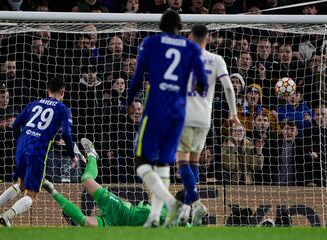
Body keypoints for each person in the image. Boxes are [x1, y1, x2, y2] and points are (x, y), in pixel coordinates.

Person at [127, 10, 208, 227]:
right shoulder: (191, 47)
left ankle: (172, 204)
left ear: (161, 26)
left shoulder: (151, 43)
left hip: (155, 109)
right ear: (180, 28)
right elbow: (202, 83)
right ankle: (154, 217)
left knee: (141, 162)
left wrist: (128, 101)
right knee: (163, 163)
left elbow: (136, 79)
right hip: (178, 114)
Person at [0, 78, 78, 227]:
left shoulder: (34, 103)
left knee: (20, 184)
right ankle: (7, 216)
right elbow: (66, 134)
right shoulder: (63, 108)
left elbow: (16, 125)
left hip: (22, 145)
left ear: (48, 91)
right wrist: (72, 155)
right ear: (63, 92)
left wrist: (21, 141)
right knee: (32, 194)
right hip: (37, 151)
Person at [176, 24, 239, 226]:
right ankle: (187, 210)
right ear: (208, 39)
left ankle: (197, 203)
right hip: (204, 118)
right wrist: (234, 113)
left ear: (189, 38)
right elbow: (229, 87)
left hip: (185, 116)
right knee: (194, 163)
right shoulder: (217, 59)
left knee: (183, 163)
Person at [43, 138, 187, 227]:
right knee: (86, 179)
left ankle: (52, 190)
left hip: (117, 227)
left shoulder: (182, 222)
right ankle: (92, 155)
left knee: (85, 222)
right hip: (121, 210)